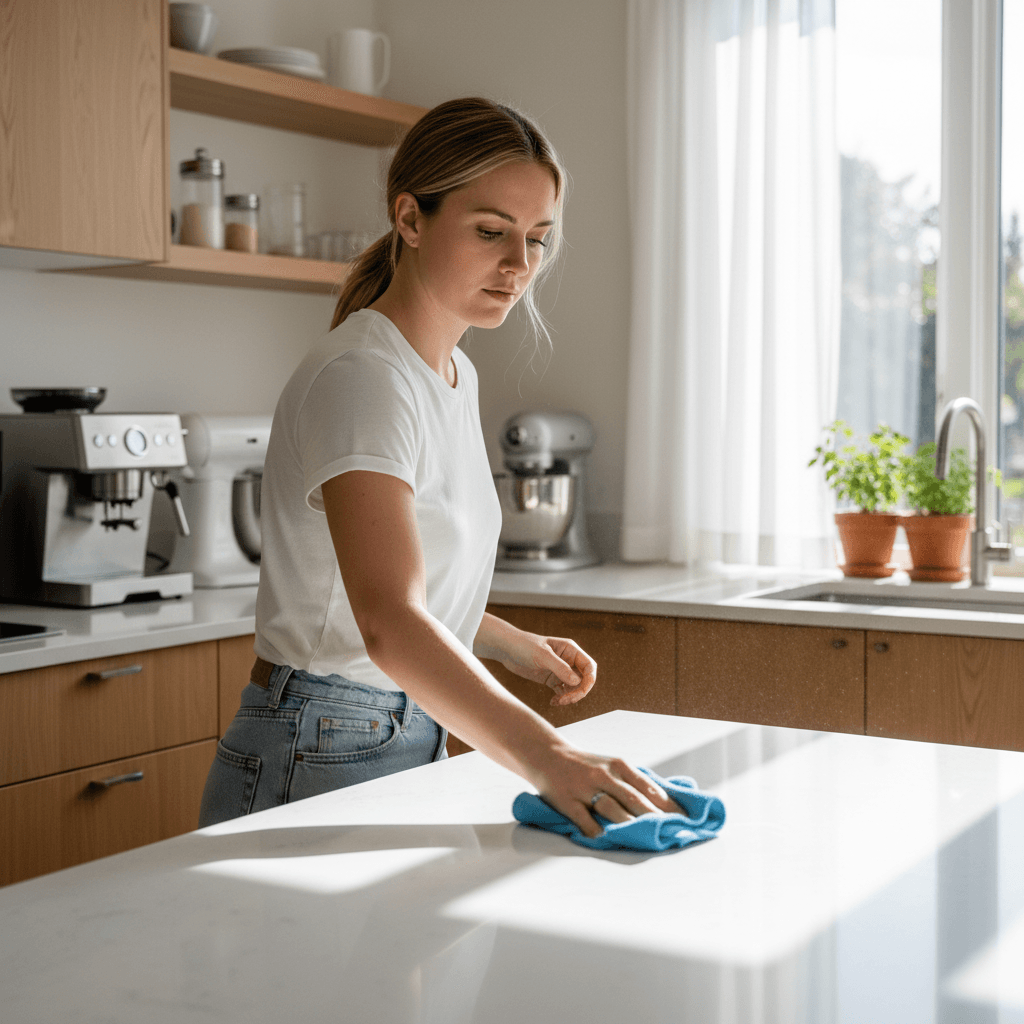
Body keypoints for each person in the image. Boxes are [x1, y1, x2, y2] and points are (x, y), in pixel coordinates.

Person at [198, 97, 676, 837]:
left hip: (398, 725)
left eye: (537, 239)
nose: (519, 264)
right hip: (320, 741)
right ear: (411, 219)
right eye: (490, 231)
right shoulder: (364, 376)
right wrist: (553, 759)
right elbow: (386, 622)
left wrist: (510, 643)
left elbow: (400, 586)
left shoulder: (451, 374)